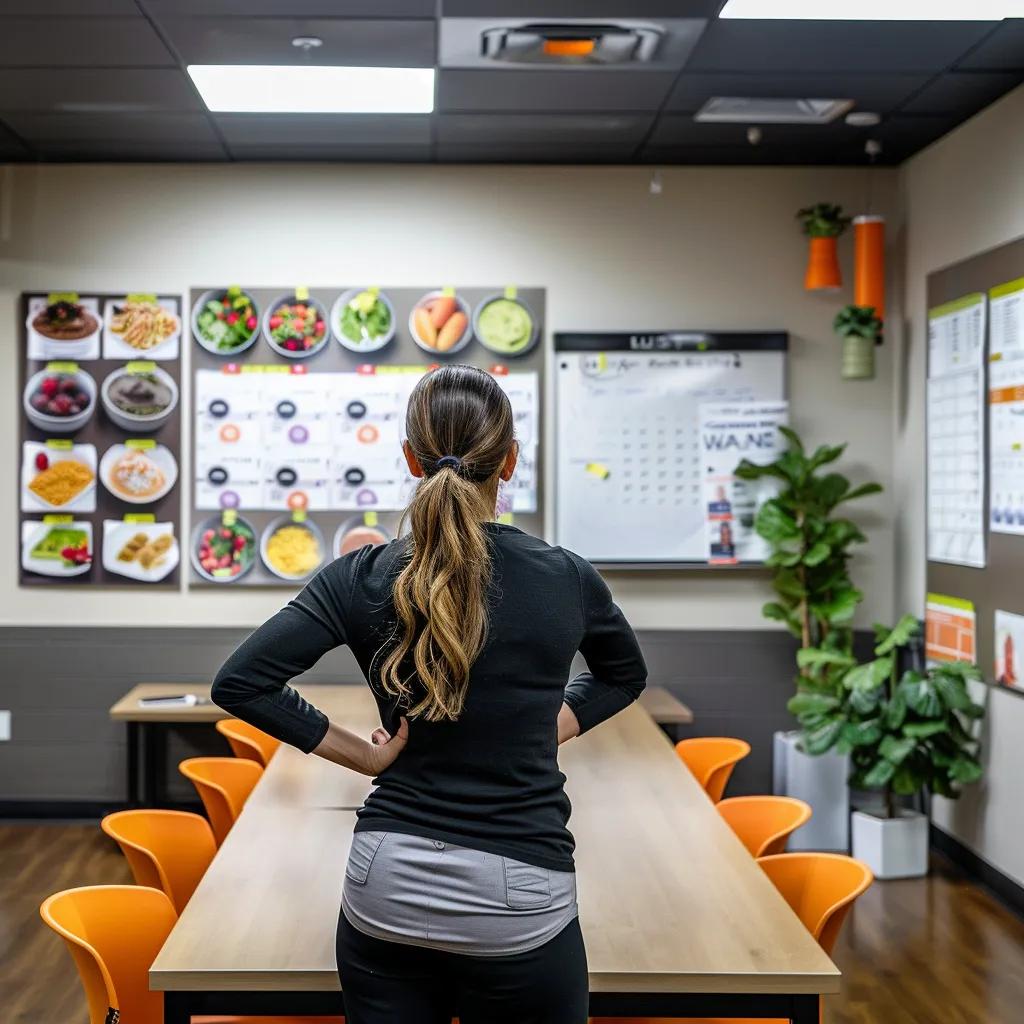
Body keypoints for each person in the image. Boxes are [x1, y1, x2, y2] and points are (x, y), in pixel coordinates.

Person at [212, 364, 648, 1024]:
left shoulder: (358, 575)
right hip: (519, 888)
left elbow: (240, 682)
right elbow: (624, 674)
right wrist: (551, 723)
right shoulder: (565, 577)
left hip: (383, 880)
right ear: (509, 462)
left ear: (411, 458)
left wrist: (363, 755)